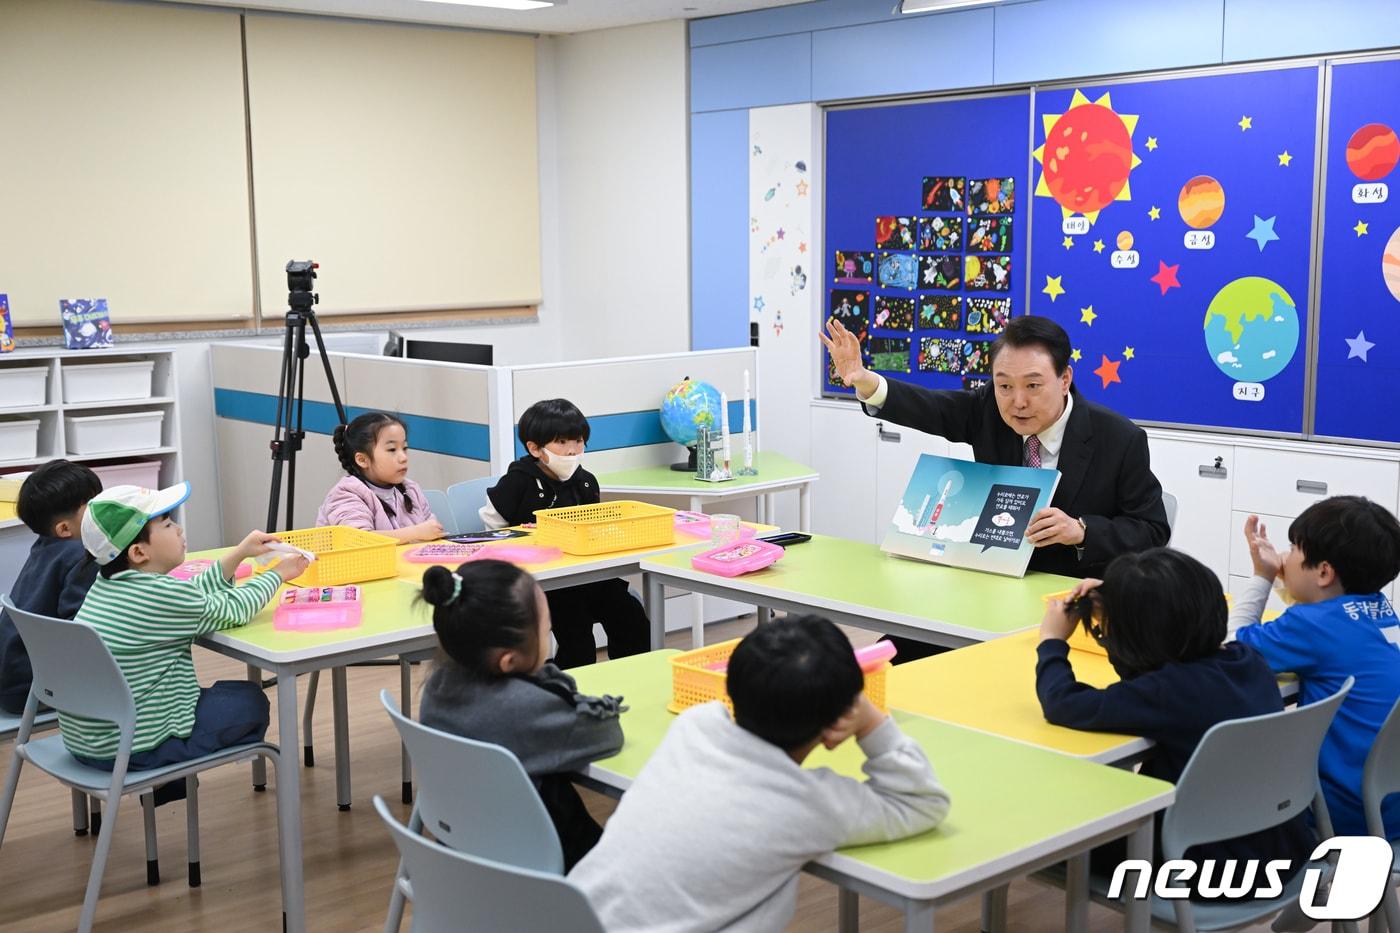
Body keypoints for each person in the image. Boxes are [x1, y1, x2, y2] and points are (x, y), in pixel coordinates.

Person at [822, 313, 1170, 661]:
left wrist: (1081, 531)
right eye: (1004, 386)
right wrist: (865, 380)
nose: (1017, 402)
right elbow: (931, 407)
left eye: (1033, 386)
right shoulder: (988, 409)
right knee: (896, 659)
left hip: (1071, 602)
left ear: (1065, 379)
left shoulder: (1119, 439)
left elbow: (1152, 530)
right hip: (990, 588)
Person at [570, 615, 951, 932]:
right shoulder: (807, 805)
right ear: (835, 726)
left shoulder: (695, 725)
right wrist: (870, 723)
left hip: (569, 917)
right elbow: (921, 801)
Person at [1037, 548, 1315, 885]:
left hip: (1208, 864)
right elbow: (1149, 666)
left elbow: (1062, 703)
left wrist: (1051, 641)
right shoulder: (1248, 660)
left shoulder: (1163, 692)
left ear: (1133, 638)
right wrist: (1120, 603)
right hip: (1283, 845)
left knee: (1053, 834)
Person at [61, 484, 309, 802]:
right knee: (251, 703)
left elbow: (190, 595)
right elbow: (234, 609)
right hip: (135, 749)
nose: (178, 529)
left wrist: (239, 553)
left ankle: (168, 778)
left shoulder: (109, 585)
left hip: (91, 742)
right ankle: (166, 774)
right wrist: (276, 575)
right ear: (139, 553)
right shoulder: (159, 596)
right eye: (167, 524)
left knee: (231, 694)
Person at [417, 559, 624, 869]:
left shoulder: (438, 685)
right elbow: (608, 735)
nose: (548, 634)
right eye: (546, 630)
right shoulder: (527, 707)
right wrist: (546, 677)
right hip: (544, 870)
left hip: (462, 856)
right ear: (509, 661)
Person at [1231, 497, 1400, 839]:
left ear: (1324, 572)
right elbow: (1323, 613)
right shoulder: (1381, 610)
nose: (1286, 555)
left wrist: (1263, 576)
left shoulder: (1310, 627)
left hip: (1345, 815)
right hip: (1390, 808)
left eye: (1294, 548)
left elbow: (1232, 648)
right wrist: (1287, 578)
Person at [480, 398, 649, 667]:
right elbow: (492, 526)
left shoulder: (585, 481)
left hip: (587, 576)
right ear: (534, 448)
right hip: (547, 583)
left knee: (630, 616)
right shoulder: (517, 482)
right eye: (561, 442)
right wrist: (521, 543)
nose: (572, 450)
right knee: (577, 637)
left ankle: (633, 674)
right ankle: (567, 686)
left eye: (578, 441)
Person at [0, 460, 103, 714]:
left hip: (11, 678)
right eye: (94, 506)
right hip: (34, 688)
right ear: (64, 528)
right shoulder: (81, 556)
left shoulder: (45, 546)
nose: (104, 510)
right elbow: (83, 629)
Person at [316, 411, 443, 543]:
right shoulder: (345, 494)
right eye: (392, 449)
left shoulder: (410, 489)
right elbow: (357, 540)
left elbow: (431, 529)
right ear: (362, 460)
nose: (403, 457)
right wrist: (415, 533)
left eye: (404, 448)